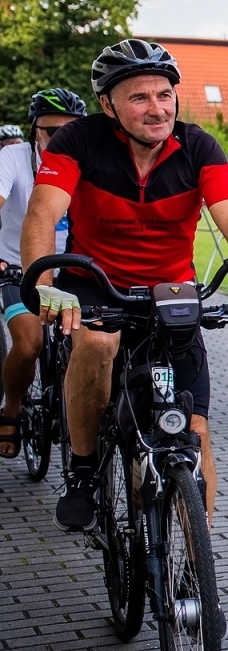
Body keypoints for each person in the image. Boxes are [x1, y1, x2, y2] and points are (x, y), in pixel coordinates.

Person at [24, 39, 228, 530]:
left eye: (164, 94)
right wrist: (45, 286)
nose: (156, 108)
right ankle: (82, 469)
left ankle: (192, 576)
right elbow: (40, 215)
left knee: (195, 429)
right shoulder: (79, 141)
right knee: (96, 343)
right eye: (139, 97)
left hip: (170, 293)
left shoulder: (198, 145)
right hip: (95, 284)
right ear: (107, 105)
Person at [0, 92, 84, 458]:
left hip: (73, 269)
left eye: (72, 132)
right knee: (29, 343)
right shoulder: (12, 159)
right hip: (17, 267)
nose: (61, 140)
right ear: (35, 131)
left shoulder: (90, 160)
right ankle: (13, 409)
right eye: (52, 131)